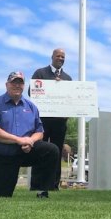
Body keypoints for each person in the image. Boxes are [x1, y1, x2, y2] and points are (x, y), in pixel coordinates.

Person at [0, 71, 60, 198]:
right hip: (3, 154)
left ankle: (41, 190)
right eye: (14, 82)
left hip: (26, 151)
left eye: (20, 83)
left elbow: (40, 131)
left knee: (51, 150)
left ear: (24, 86)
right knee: (1, 195)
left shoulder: (31, 106)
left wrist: (30, 141)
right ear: (7, 85)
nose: (17, 85)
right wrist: (19, 140)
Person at [31, 48, 72, 190]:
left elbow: (71, 99)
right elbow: (32, 92)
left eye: (63, 57)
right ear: (52, 57)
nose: (60, 58)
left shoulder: (68, 78)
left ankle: (54, 184)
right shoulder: (40, 73)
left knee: (57, 152)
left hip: (60, 122)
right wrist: (51, 86)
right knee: (39, 150)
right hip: (42, 121)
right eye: (58, 56)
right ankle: (36, 184)